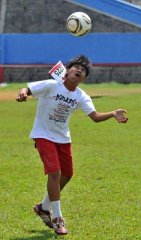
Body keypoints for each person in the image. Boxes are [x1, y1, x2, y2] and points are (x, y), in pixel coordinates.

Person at [16, 55, 128, 235]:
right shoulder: (52, 85)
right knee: (55, 173)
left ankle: (43, 207)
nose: (79, 71)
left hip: (63, 138)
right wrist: (23, 93)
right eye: (76, 68)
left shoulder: (81, 96)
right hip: (43, 135)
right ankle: (57, 218)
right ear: (67, 71)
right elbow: (28, 89)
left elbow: (95, 117)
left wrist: (113, 113)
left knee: (67, 175)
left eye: (83, 71)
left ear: (84, 79)